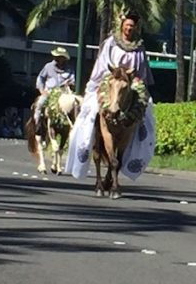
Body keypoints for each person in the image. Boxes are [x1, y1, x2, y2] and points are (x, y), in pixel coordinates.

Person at [66, 12, 156, 180]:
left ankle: (140, 150)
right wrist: (108, 79)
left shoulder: (139, 46)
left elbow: (142, 69)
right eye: (127, 25)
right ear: (122, 26)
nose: (129, 28)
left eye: (132, 26)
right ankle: (86, 142)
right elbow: (103, 64)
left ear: (135, 28)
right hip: (109, 81)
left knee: (147, 113)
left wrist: (137, 81)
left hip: (130, 83)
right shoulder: (111, 43)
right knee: (91, 111)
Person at [33, 47, 75, 140]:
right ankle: (37, 125)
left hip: (64, 94)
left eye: (60, 57)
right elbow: (40, 78)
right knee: (40, 104)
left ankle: (73, 128)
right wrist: (42, 91)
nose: (58, 58)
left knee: (75, 105)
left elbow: (73, 80)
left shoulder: (69, 69)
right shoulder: (48, 67)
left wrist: (70, 84)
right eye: (57, 56)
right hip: (49, 93)